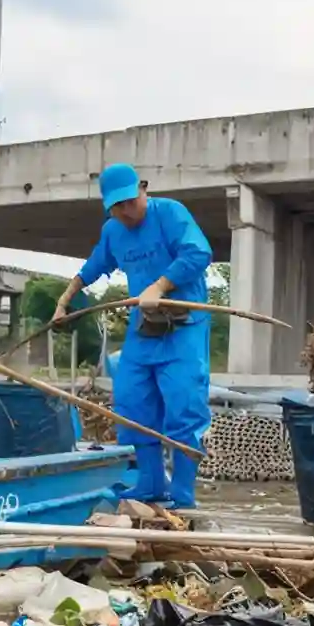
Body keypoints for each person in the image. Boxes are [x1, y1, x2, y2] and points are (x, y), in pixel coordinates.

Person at [53, 163, 212, 508]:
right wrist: (64, 301)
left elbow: (198, 253)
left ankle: (182, 495)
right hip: (144, 329)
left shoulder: (170, 213)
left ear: (143, 189)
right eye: (117, 206)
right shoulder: (113, 231)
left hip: (183, 326)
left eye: (130, 201)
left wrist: (159, 285)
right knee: (132, 402)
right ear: (108, 208)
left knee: (184, 407)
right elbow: (92, 268)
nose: (126, 211)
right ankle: (150, 483)